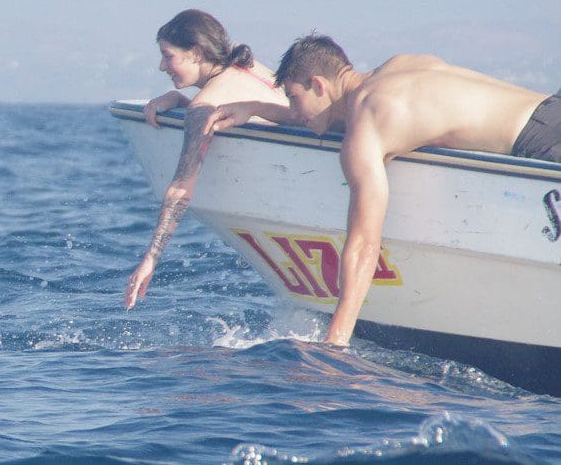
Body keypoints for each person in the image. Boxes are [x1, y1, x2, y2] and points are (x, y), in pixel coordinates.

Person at [204, 34, 557, 346]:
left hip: (541, 145)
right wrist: (253, 108)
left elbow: (364, 244)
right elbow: (335, 116)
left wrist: (336, 341)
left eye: (294, 98)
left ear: (318, 84)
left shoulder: (367, 121)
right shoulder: (396, 68)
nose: (294, 112)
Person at [123, 10, 289, 310]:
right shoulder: (247, 67)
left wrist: (150, 259)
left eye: (167, 55)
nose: (162, 66)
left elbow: (181, 189)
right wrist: (178, 101)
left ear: (197, 53)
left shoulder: (203, 108)